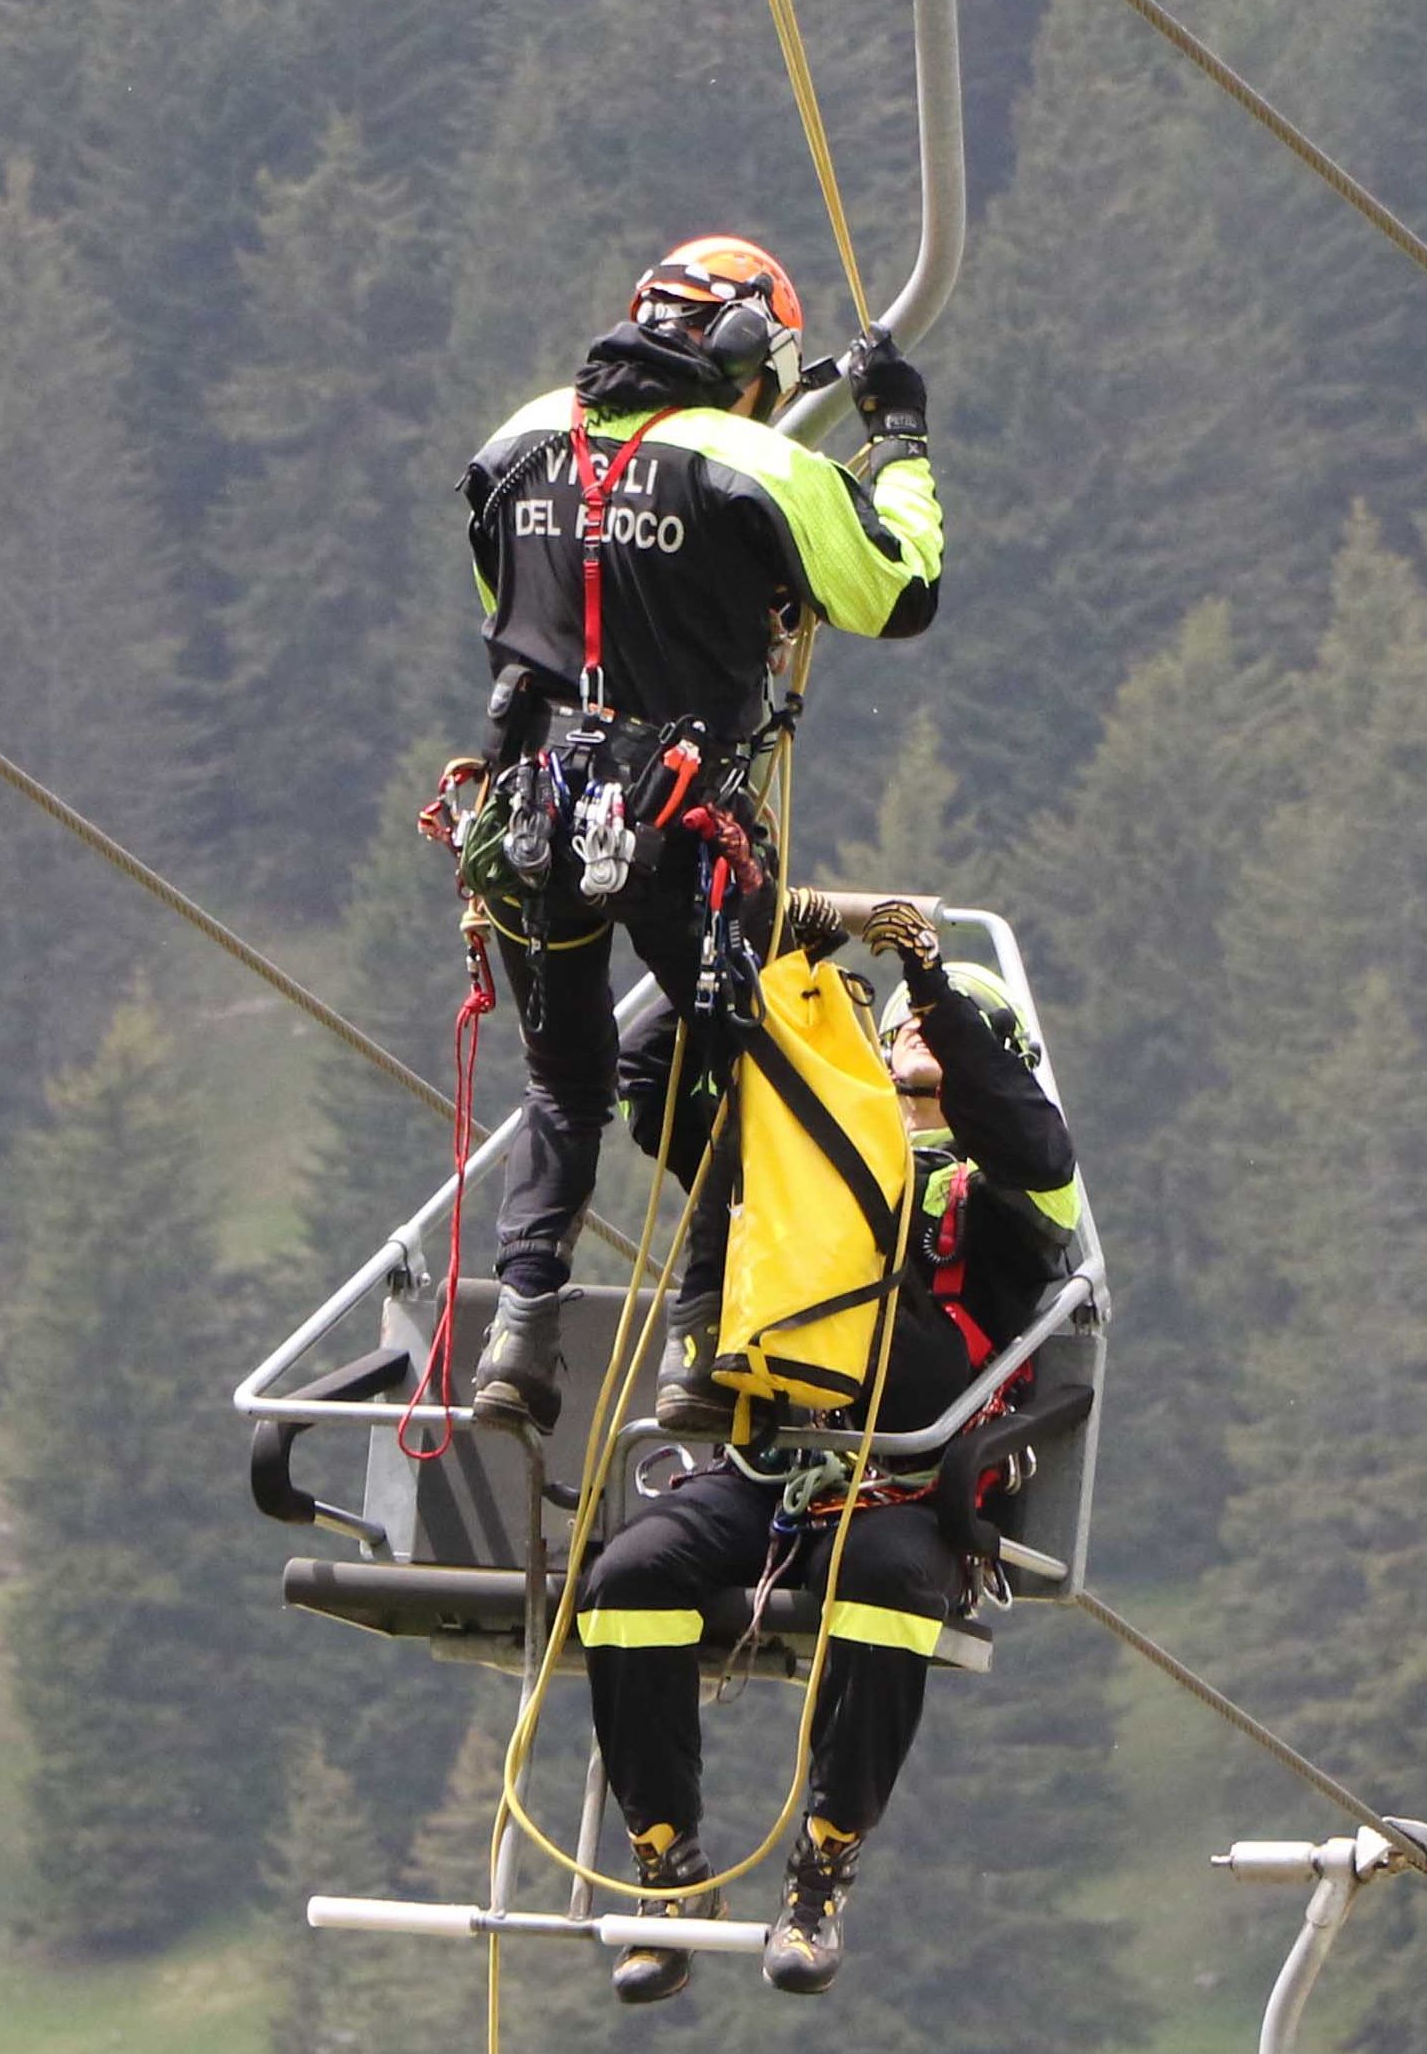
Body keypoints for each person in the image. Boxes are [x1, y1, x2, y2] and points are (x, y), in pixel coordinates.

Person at [449, 235, 941, 1440]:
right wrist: (901, 444)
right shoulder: (751, 463)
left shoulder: (514, 445)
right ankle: (697, 1345)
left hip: (532, 815)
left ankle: (518, 1334)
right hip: (683, 830)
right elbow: (897, 588)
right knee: (743, 1079)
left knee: (560, 1078)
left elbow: (509, 614)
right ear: (740, 361)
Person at [581, 900, 1083, 2000]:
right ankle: (666, 1863)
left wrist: (939, 995)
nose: (906, 1049)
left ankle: (822, 1862)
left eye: (930, 1043)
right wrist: (753, 940)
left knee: (886, 1583)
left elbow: (1027, 1136)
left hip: (903, 1488)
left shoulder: (1012, 1193)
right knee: (625, 1578)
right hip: (769, 1470)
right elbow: (650, 1074)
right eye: (896, 1033)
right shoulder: (803, 1153)